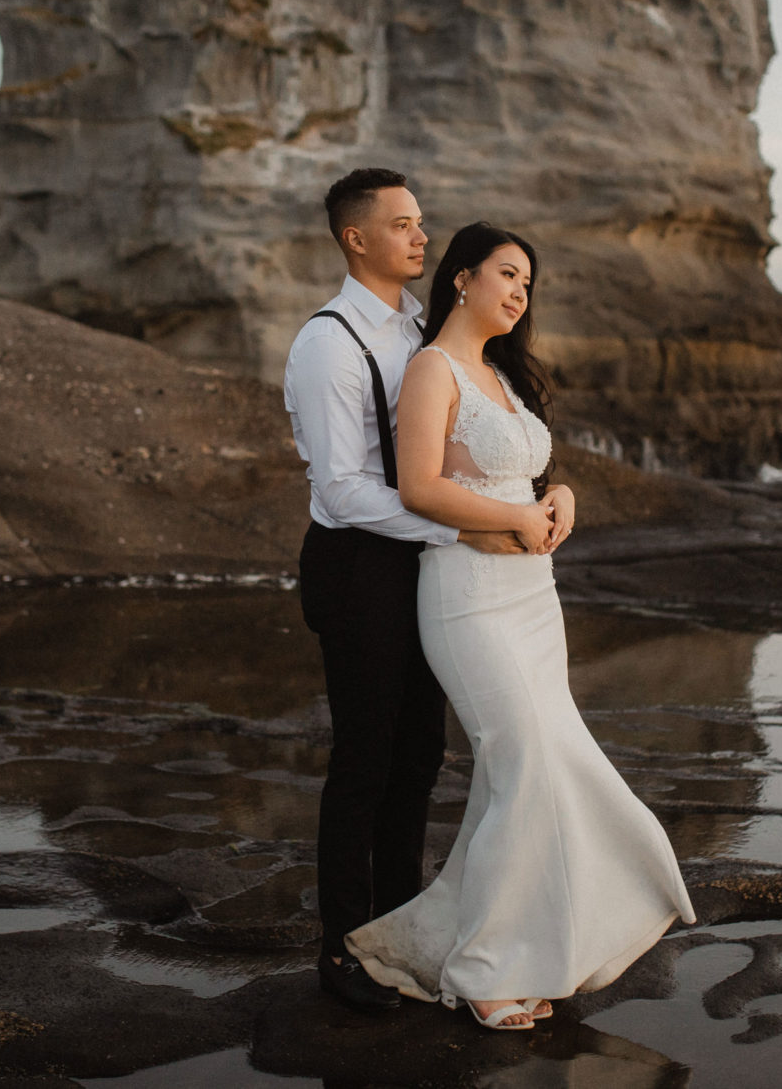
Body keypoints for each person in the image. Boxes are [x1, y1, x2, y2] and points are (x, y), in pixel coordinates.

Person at [343, 221, 696, 1032]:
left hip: (535, 595)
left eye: (528, 284)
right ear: (462, 278)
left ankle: (495, 947)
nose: (518, 292)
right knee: (528, 762)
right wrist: (512, 514)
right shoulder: (432, 368)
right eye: (506, 274)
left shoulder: (503, 374)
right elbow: (418, 486)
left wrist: (562, 499)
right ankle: (482, 970)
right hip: (468, 597)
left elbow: (530, 475)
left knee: (521, 775)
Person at [283, 170, 527, 1013]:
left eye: (423, 224)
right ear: (357, 239)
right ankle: (344, 949)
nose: (422, 238)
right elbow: (343, 488)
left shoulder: (422, 329)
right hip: (355, 566)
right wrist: (463, 524)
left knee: (419, 755)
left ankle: (400, 930)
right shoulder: (327, 342)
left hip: (420, 566)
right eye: (403, 225)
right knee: (365, 759)